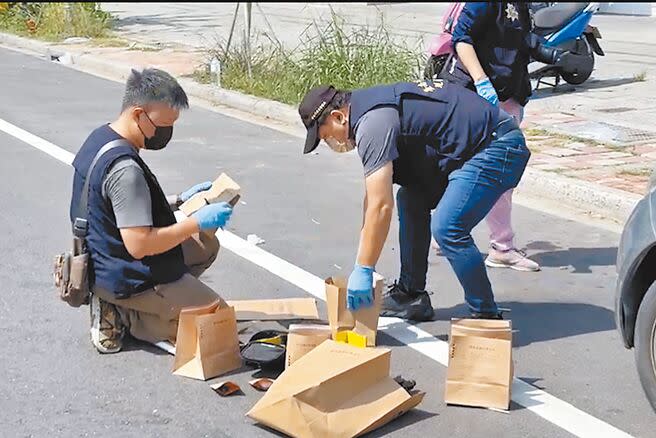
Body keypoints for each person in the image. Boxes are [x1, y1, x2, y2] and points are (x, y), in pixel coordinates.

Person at [298, 79, 530, 320]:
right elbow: (374, 196)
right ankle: (411, 295)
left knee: (448, 227)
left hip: (498, 146)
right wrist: (364, 259)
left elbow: (380, 206)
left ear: (338, 117)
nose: (331, 143)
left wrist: (364, 269)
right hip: (468, 147)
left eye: (327, 137)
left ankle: (486, 318)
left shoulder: (372, 124)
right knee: (410, 198)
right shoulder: (370, 110)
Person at [69, 68, 234, 354]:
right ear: (138, 114)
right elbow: (139, 244)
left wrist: (180, 200)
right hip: (127, 273)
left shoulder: (102, 138)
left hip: (104, 257)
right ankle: (126, 316)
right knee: (219, 326)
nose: (166, 132)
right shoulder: (125, 170)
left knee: (204, 245)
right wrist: (196, 222)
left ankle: (148, 304)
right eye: (163, 124)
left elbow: (117, 206)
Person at [444, 1, 540, 272]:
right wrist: (482, 81)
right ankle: (502, 247)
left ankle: (447, 229)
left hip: (508, 95)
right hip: (486, 98)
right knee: (499, 172)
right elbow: (461, 39)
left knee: (465, 167)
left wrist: (548, 52)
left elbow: (517, 41)